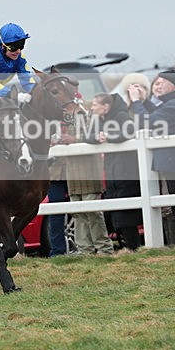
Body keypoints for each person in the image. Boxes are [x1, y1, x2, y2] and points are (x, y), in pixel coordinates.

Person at [130, 70, 175, 248]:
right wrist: (146, 101)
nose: (159, 84)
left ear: (173, 86)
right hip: (174, 159)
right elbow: (157, 114)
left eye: (162, 82)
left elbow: (149, 121)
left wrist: (136, 102)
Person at [86, 93, 142, 250]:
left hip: (127, 171)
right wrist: (97, 137)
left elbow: (130, 132)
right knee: (117, 214)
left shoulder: (121, 115)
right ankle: (126, 249)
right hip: (112, 172)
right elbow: (86, 136)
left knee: (127, 216)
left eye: (95, 105)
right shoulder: (98, 119)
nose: (92, 107)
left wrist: (109, 137)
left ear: (105, 107)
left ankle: (134, 249)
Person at [62, 106, 114, 255]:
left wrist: (74, 139)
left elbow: (96, 136)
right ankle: (85, 249)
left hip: (90, 170)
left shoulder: (90, 116)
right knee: (78, 213)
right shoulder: (64, 120)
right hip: (72, 171)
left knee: (93, 212)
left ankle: (104, 248)